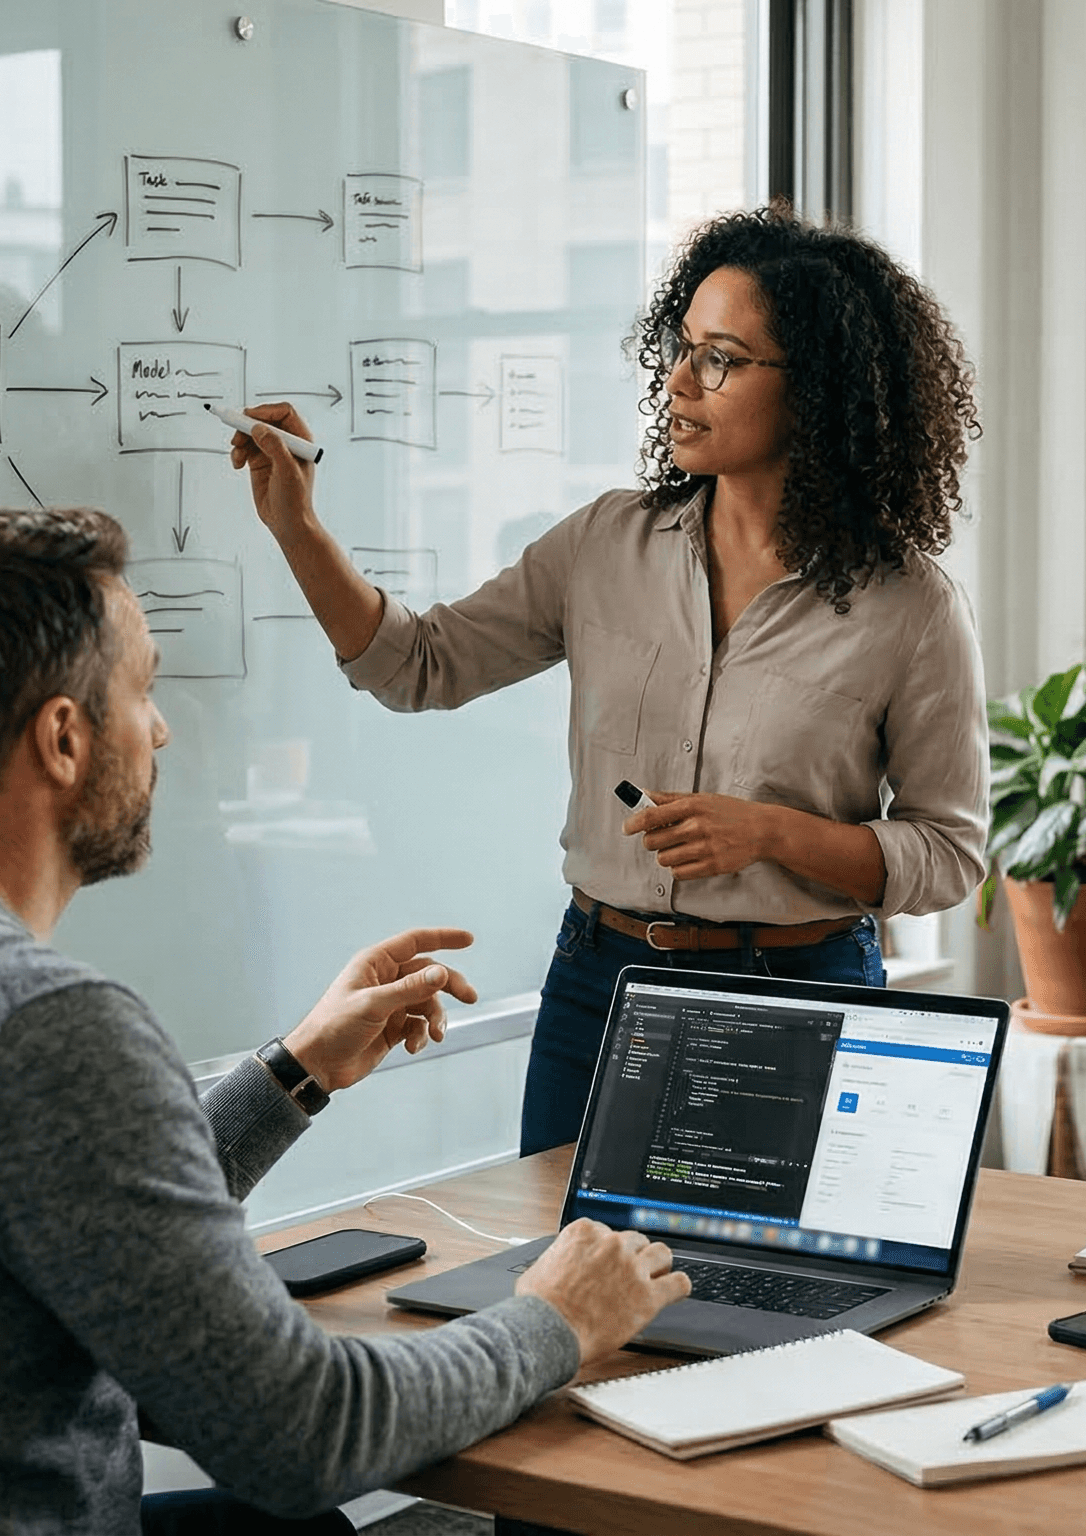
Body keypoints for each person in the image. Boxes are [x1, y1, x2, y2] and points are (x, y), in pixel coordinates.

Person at [0, 505, 693, 1536]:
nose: (159, 728)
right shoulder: (32, 1023)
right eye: (143, 689)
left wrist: (293, 1073)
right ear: (63, 737)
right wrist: (553, 1320)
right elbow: (305, 1438)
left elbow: (66, 1200)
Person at [225, 206, 989, 1155]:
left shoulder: (909, 607)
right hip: (599, 983)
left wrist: (773, 833)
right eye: (681, 348)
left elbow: (948, 855)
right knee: (562, 1279)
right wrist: (297, 526)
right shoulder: (604, 544)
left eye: (719, 358)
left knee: (765, 1287)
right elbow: (417, 666)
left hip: (796, 995)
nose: (677, 382)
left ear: (817, 391)